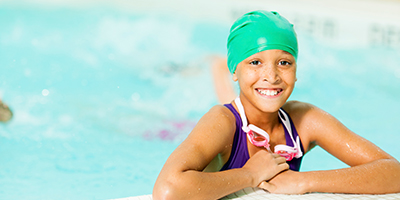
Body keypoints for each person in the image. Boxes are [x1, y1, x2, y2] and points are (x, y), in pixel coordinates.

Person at [152, 10, 400, 200]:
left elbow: (393, 172)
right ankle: (211, 65)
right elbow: (167, 189)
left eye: (284, 63)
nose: (272, 76)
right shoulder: (222, 122)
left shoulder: (304, 120)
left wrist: (305, 181)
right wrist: (249, 175)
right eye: (255, 62)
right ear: (235, 70)